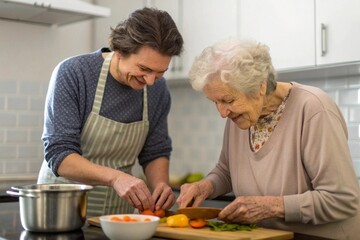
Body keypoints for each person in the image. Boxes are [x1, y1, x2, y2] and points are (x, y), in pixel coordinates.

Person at [176, 39, 360, 239]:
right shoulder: (240, 117)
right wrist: (206, 186)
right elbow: (226, 171)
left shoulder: (314, 109)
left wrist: (273, 206)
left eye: (228, 100)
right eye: (215, 102)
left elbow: (342, 199)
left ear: (260, 87)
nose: (221, 112)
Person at [37, 7, 184, 218]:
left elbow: (155, 150)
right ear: (120, 51)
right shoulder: (74, 73)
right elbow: (60, 154)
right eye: (144, 69)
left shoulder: (158, 91)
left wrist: (160, 185)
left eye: (160, 73)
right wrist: (115, 178)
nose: (151, 81)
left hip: (117, 215)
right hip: (61, 211)